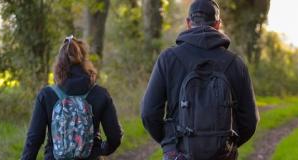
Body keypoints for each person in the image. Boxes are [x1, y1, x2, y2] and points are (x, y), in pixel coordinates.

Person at [140, 0, 258, 159]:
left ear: (188, 23)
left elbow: (149, 113)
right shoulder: (235, 64)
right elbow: (250, 121)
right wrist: (226, 144)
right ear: (217, 24)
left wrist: (169, 141)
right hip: (223, 155)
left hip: (178, 153)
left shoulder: (168, 59)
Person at [21, 36, 123, 160]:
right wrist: (100, 149)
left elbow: (34, 139)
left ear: (59, 63)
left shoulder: (46, 95)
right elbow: (115, 137)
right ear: (84, 60)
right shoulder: (100, 94)